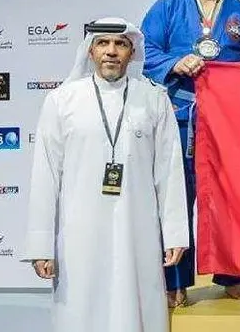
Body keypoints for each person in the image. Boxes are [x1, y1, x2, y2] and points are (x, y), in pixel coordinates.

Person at [21, 17, 189, 332]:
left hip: (137, 231)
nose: (111, 51)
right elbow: (45, 178)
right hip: (78, 237)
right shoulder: (62, 101)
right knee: (81, 312)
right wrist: (42, 246)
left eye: (120, 44)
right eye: (103, 43)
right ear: (90, 50)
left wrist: (175, 232)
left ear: (132, 52)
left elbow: (168, 171)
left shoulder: (154, 99)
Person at [141, 0, 240, 307]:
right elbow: (144, 51)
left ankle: (229, 276)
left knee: (225, 201)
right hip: (177, 119)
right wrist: (174, 64)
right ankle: (174, 281)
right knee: (177, 199)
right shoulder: (168, 7)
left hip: (225, 124)